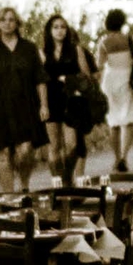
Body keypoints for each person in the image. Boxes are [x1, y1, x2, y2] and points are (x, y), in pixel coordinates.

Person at [0, 7, 49, 194]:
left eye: (11, 20)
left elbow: (40, 79)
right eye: (3, 20)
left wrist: (44, 105)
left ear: (17, 23)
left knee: (25, 151)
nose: (7, 23)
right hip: (0, 108)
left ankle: (24, 185)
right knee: (3, 153)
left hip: (26, 105)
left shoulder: (28, 48)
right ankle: (9, 196)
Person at [39, 12, 96, 189]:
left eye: (63, 27)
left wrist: (71, 79)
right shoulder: (43, 53)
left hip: (72, 100)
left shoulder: (75, 50)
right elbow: (40, 80)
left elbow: (87, 76)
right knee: (54, 145)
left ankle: (67, 176)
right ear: (49, 31)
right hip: (52, 99)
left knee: (72, 145)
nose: (59, 31)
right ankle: (57, 181)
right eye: (55, 27)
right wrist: (43, 104)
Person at [96, 6, 133, 172]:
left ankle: (116, 158)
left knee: (113, 122)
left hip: (110, 81)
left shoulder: (104, 42)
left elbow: (99, 65)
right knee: (128, 121)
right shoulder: (129, 40)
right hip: (127, 80)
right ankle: (124, 156)